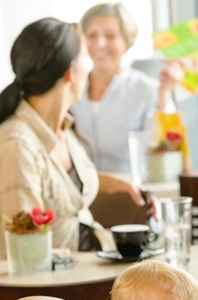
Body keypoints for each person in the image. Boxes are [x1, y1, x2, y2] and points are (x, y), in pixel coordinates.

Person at [0, 18, 145, 255]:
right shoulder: (16, 146)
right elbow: (28, 255)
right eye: (85, 59)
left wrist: (117, 184)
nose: (89, 69)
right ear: (70, 72)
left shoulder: (63, 130)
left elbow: (61, 188)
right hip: (62, 288)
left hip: (89, 267)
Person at [70, 3, 182, 174]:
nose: (100, 44)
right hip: (83, 193)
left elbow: (163, 146)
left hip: (132, 193)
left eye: (110, 36)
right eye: (92, 35)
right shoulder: (71, 87)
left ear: (126, 41)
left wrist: (165, 95)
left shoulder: (148, 90)